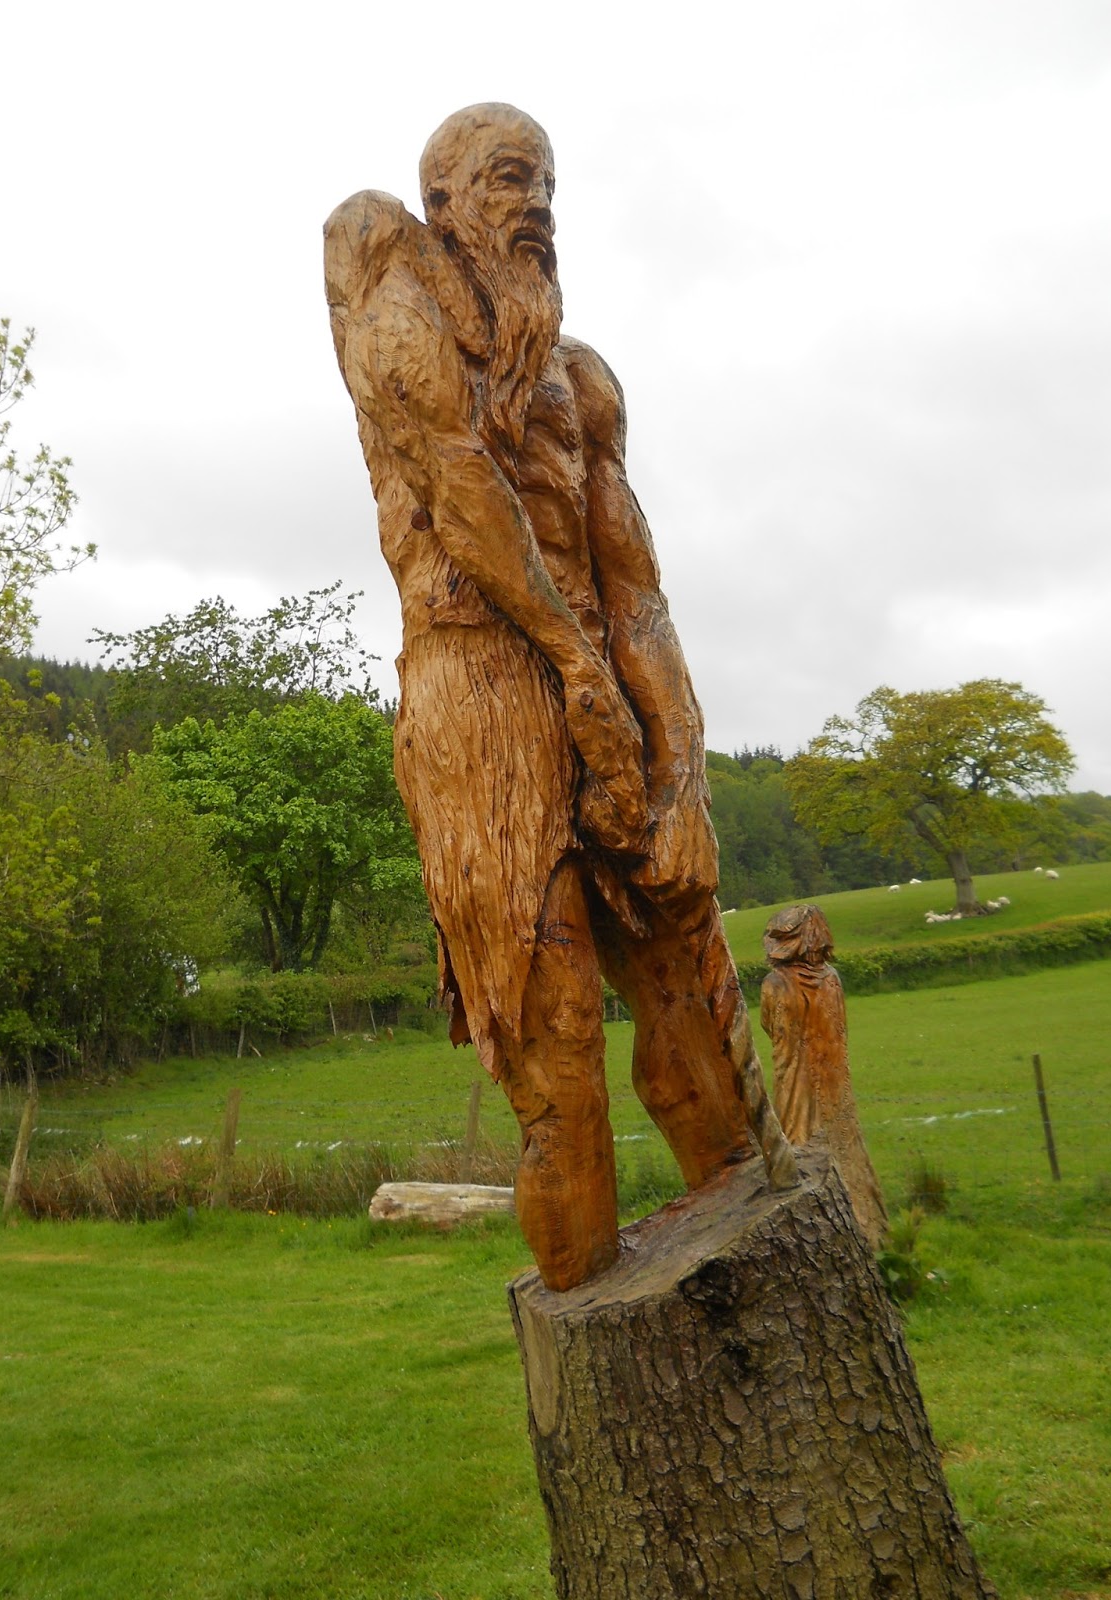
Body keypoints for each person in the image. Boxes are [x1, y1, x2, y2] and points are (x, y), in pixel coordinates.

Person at [325, 103, 794, 1291]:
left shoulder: (583, 385)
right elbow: (458, 480)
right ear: (443, 208)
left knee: (690, 981)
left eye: (544, 183)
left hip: (607, 701)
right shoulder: (395, 307)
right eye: (502, 181)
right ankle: (593, 1305)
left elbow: (637, 592)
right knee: (560, 1047)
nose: (533, 205)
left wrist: (680, 770)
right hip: (481, 692)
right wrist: (574, 674)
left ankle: (771, 1253)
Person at [760, 905, 887, 1249]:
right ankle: (868, 1232)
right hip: (834, 1085)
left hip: (794, 1086)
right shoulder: (833, 979)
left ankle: (821, 1239)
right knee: (842, 1146)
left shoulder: (775, 984)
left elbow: (769, 1026)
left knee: (800, 1147)